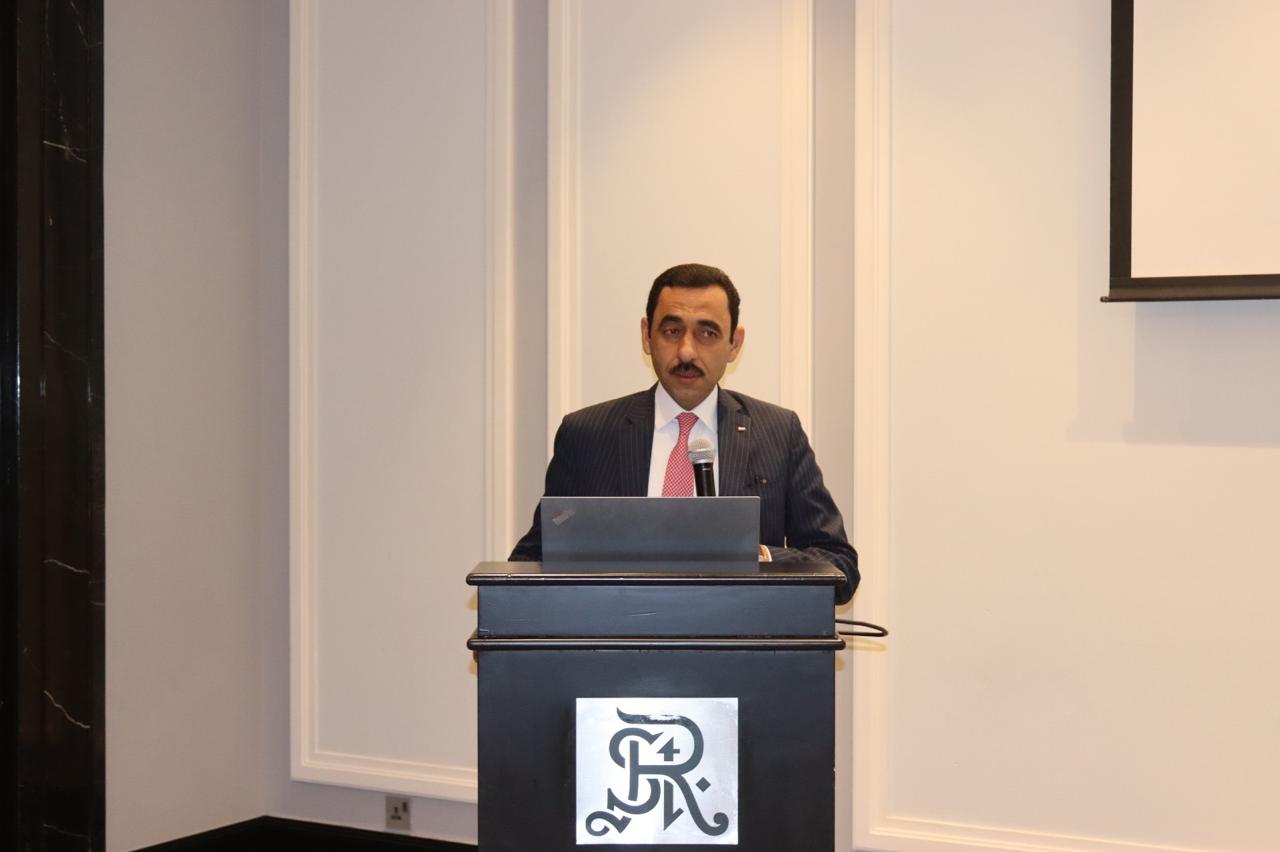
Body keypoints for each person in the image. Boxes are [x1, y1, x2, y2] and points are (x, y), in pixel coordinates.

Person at [509, 263, 858, 603]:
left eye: (708, 333)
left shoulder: (778, 433)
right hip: (618, 636)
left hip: (740, 639)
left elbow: (839, 566)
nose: (687, 351)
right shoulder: (587, 435)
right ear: (647, 335)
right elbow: (535, 559)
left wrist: (758, 556)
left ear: (734, 344)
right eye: (672, 331)